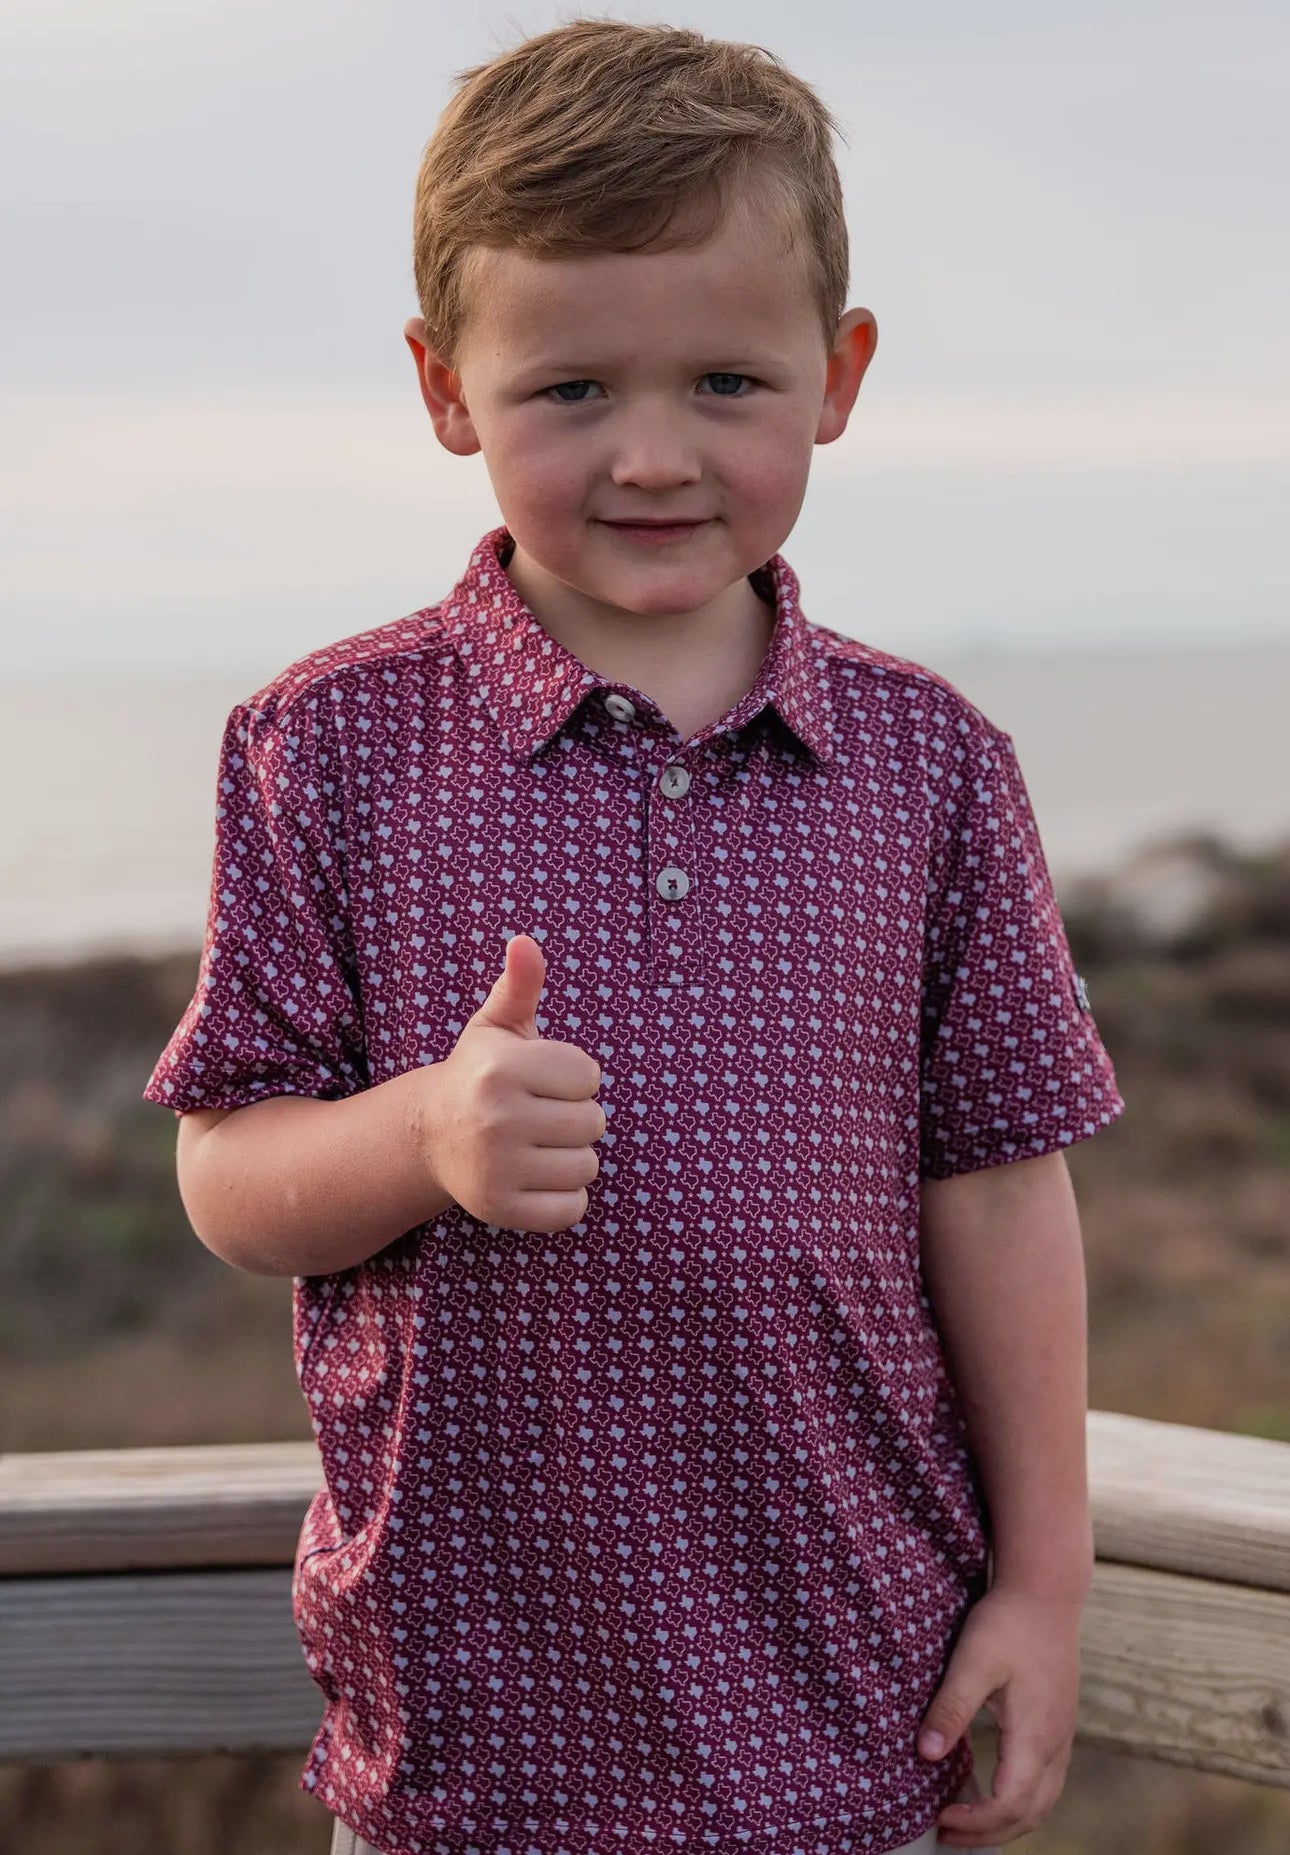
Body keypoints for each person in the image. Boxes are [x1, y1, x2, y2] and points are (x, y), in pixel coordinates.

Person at [144, 19, 1124, 1855]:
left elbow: (998, 1189)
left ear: (837, 376)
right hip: (465, 1742)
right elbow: (227, 1171)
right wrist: (420, 1136)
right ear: (446, 389)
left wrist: (1044, 1591)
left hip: (847, 1720)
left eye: (728, 384)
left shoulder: (931, 765)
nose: (654, 455)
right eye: (571, 390)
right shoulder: (326, 745)